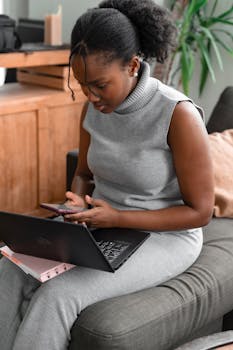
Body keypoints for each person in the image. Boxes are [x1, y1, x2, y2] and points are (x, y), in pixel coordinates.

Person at [0, 1, 214, 349]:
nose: (91, 96)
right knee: (10, 269)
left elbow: (200, 212)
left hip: (166, 237)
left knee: (58, 294)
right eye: (84, 85)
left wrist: (117, 216)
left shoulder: (177, 115)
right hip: (103, 225)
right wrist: (76, 204)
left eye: (100, 84)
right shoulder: (95, 108)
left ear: (132, 65)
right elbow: (84, 173)